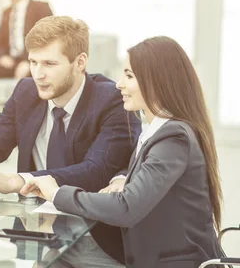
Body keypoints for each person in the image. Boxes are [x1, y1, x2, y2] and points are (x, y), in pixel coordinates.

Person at [0, 15, 142, 266]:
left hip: (94, 237)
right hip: (34, 231)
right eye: (33, 62)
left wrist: (16, 180)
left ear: (80, 62)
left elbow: (96, 171)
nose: (38, 74)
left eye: (49, 63)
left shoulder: (112, 100)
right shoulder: (26, 91)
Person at [21, 36, 224, 268]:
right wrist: (123, 178)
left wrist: (57, 193)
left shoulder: (173, 137)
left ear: (157, 81)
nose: (119, 84)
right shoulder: (159, 131)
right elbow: (147, 176)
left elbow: (127, 207)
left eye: (129, 76)